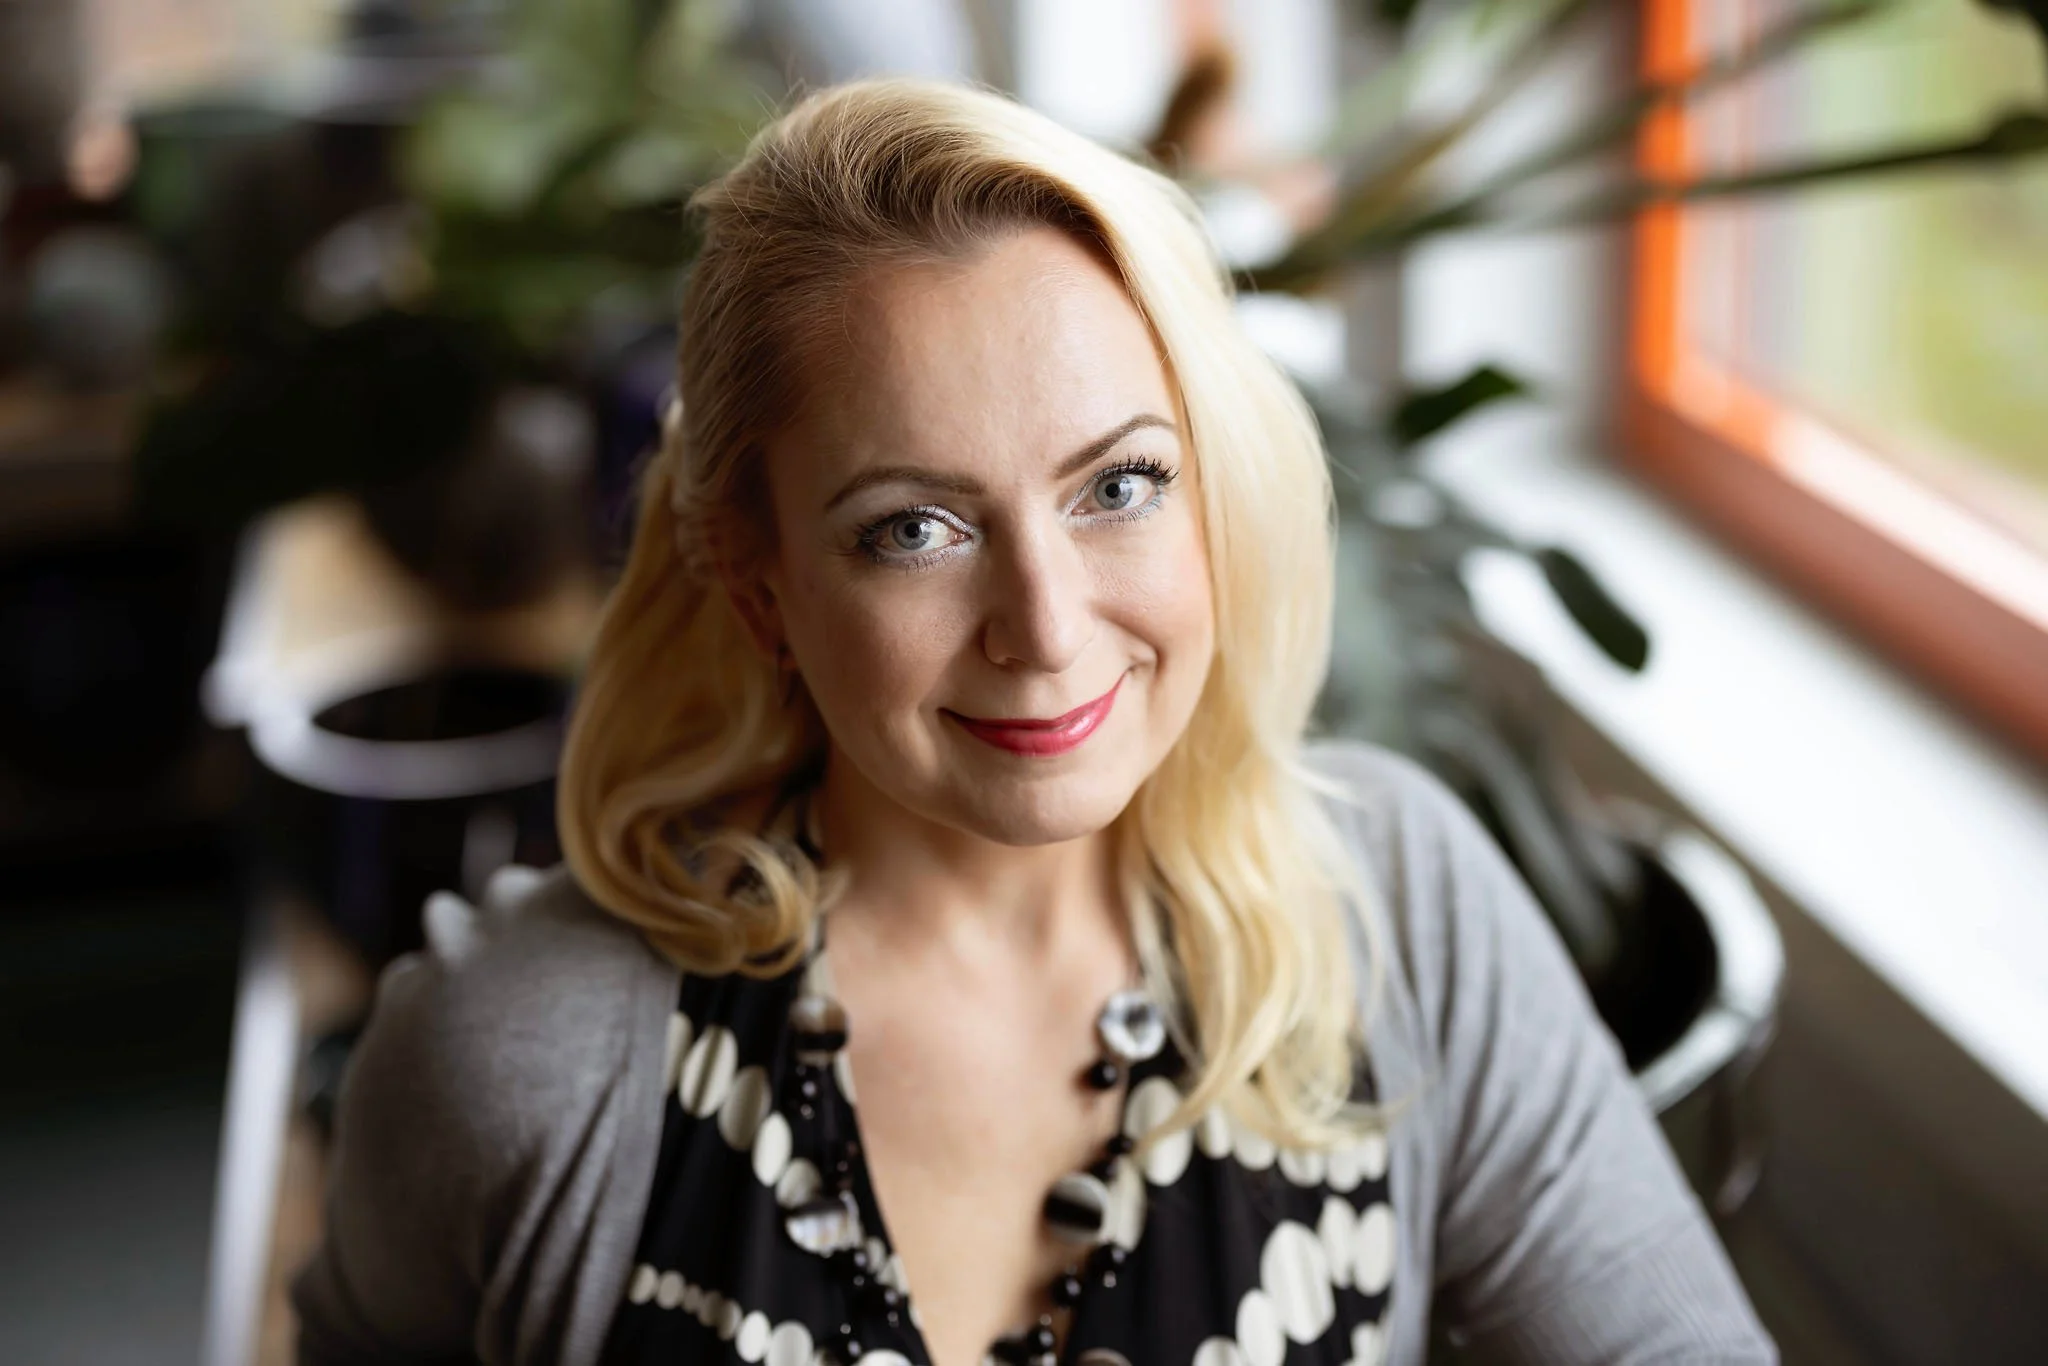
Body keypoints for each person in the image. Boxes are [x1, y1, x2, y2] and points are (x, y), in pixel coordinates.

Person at [291, 78, 1776, 1366]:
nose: (1050, 627)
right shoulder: (524, 1057)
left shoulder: (1395, 908)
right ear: (757, 585)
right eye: (913, 528)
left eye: (1119, 485)